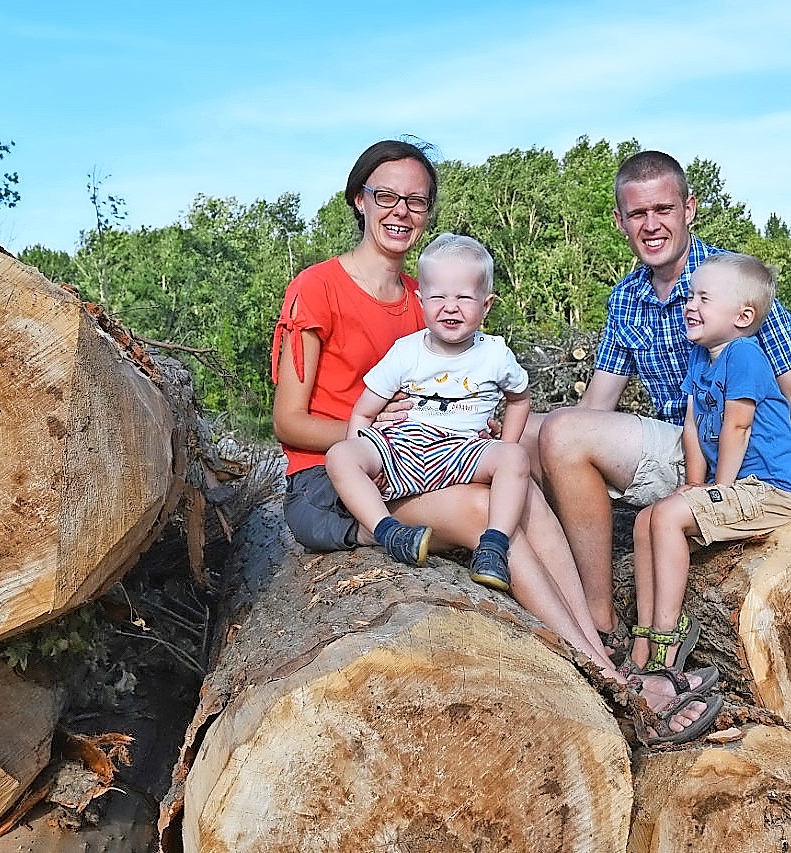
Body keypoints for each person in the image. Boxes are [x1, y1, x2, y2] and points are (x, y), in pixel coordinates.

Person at [271, 139, 720, 746]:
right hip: (339, 479)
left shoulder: (426, 301)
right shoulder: (317, 288)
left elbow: (472, 393)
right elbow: (290, 423)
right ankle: (606, 677)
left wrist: (475, 428)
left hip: (419, 460)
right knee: (491, 514)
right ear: (359, 201)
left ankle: (599, 644)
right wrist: (378, 430)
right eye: (386, 197)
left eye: (417, 200)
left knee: (522, 492)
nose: (401, 211)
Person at [534, 150, 791, 665]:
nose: (651, 225)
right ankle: (488, 541)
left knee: (560, 433)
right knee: (530, 435)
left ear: (689, 208)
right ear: (620, 220)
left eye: (663, 210)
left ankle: (600, 621)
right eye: (637, 214)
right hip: (683, 447)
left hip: (737, 464)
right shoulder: (626, 298)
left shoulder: (729, 283)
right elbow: (596, 405)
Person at [630, 252, 791, 673]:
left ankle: (667, 639)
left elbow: (738, 428)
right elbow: (692, 425)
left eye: (703, 298)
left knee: (670, 518)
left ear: (743, 316)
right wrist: (694, 483)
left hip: (769, 491)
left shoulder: (744, 355)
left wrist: (717, 489)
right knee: (645, 521)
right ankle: (642, 637)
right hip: (734, 485)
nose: (690, 305)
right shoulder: (700, 358)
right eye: (690, 296)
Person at [324, 233, 531, 592]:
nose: (451, 307)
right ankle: (388, 532)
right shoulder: (406, 352)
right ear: (420, 301)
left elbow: (520, 399)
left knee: (515, 458)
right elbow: (362, 414)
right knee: (340, 455)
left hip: (462, 450)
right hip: (401, 447)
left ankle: (493, 546)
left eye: (465, 297)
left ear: (486, 305)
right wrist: (366, 460)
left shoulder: (495, 355)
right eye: (438, 297)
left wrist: (502, 446)